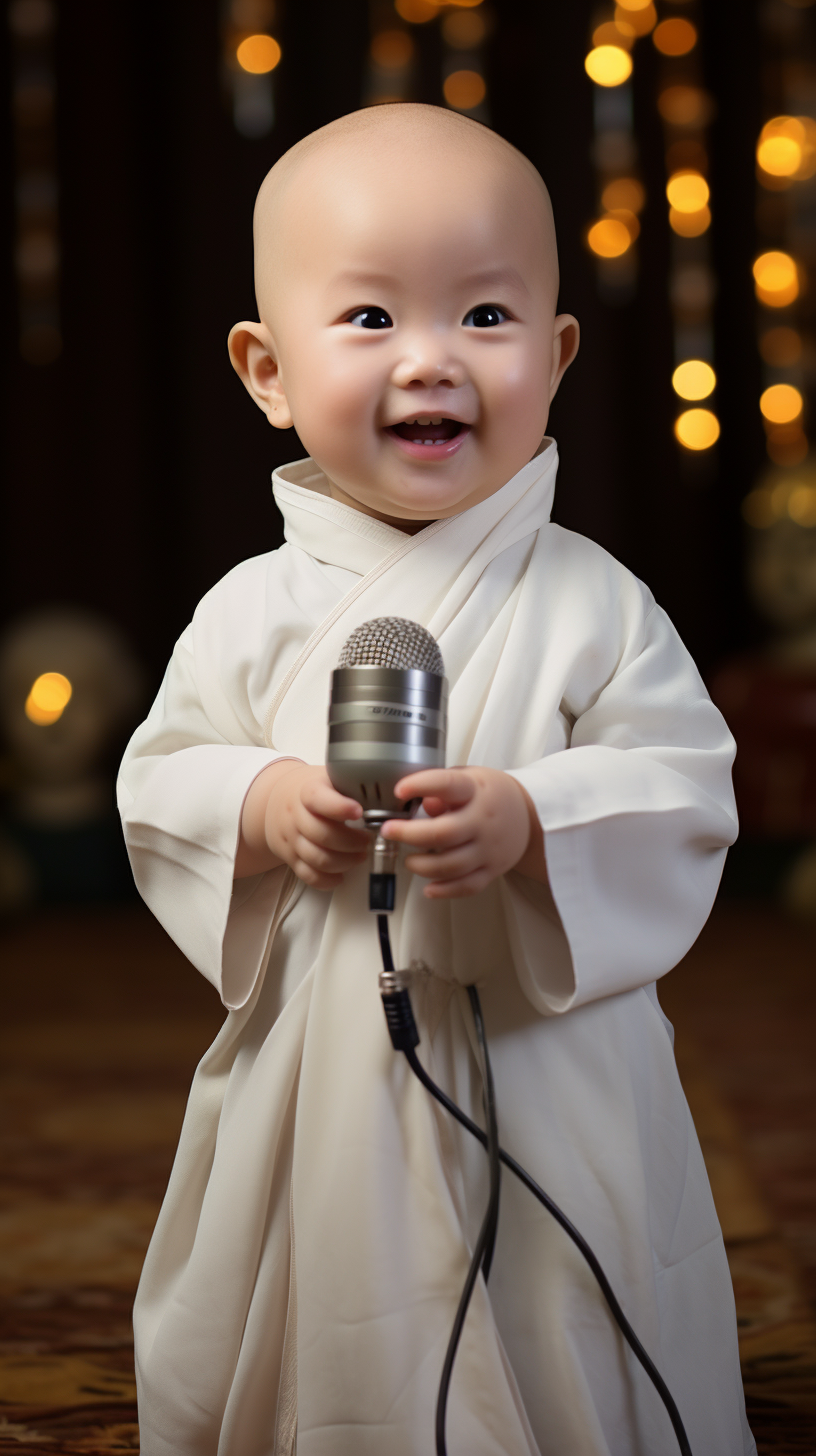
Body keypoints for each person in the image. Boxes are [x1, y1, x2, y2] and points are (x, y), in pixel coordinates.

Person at [118, 103, 755, 1455]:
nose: (432, 363)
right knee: (338, 1299)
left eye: (483, 317)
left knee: (565, 1296)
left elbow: (685, 786)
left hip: (553, 1057)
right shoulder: (249, 609)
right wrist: (255, 801)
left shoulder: (595, 599)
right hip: (327, 1043)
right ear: (265, 368)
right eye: (368, 320)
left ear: (559, 354)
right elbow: (160, 777)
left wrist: (539, 821)